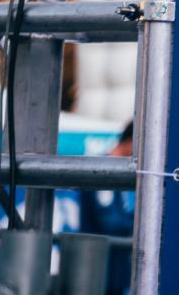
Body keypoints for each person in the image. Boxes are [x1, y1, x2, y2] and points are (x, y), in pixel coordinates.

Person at [78, 120, 134, 294]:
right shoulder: (105, 171)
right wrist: (141, 223)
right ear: (132, 142)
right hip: (101, 270)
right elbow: (110, 221)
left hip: (109, 269)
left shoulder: (115, 170)